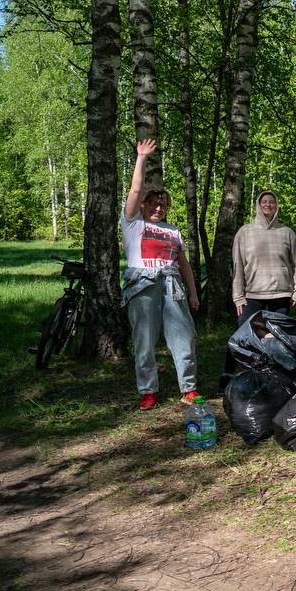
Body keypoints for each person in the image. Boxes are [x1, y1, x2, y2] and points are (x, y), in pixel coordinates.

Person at [120, 138, 201, 410]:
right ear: (143, 205)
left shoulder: (173, 230)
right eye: (153, 204)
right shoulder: (133, 224)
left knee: (184, 337)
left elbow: (184, 263)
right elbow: (134, 190)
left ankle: (188, 389)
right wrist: (141, 157)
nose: (158, 208)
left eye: (162, 205)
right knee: (144, 339)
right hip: (142, 286)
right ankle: (148, 391)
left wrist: (192, 292)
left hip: (172, 285)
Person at [224, 189, 296, 390]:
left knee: (279, 336)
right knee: (243, 334)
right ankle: (230, 375)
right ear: (258, 205)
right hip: (252, 294)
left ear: (276, 206)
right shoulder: (245, 232)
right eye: (264, 201)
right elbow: (238, 266)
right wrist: (238, 297)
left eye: (272, 202)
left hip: (281, 293)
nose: (268, 205)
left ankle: (280, 377)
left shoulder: (287, 232)